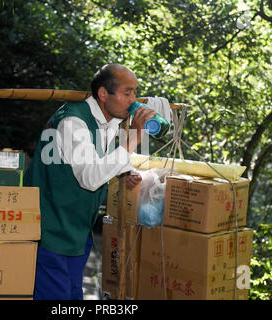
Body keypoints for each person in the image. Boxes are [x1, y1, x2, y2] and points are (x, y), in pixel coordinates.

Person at [24, 63, 172, 300]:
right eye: (127, 92)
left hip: (77, 230)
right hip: (49, 229)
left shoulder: (108, 122)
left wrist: (125, 171)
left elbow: (97, 157)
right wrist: (133, 137)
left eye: (135, 92)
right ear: (103, 94)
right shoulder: (73, 122)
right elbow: (90, 177)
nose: (134, 99)